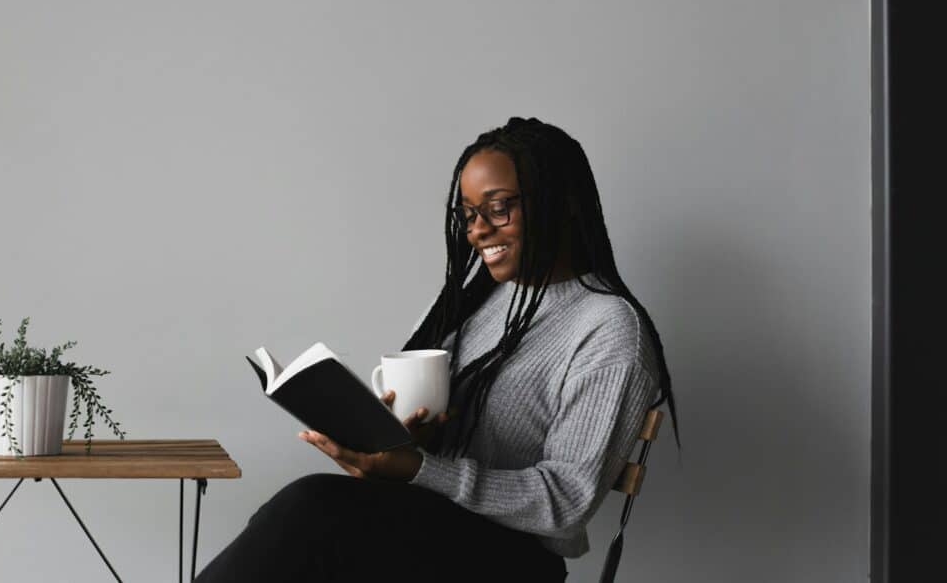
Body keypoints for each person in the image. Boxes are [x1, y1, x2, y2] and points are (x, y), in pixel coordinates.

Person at [194, 116, 679, 582]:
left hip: (510, 561)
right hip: (430, 530)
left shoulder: (610, 329)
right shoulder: (475, 302)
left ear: (563, 202)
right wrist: (397, 447)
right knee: (294, 526)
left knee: (310, 511)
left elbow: (566, 502)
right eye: (468, 214)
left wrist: (423, 469)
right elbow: (441, 451)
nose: (476, 230)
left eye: (498, 207)